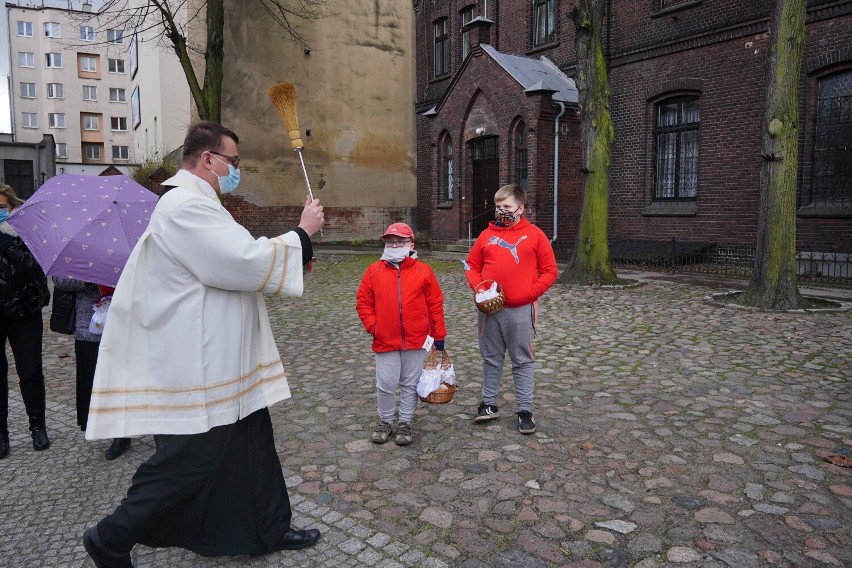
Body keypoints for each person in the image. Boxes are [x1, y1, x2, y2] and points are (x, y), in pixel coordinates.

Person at [82, 121, 325, 567]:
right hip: (199, 362)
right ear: (208, 159)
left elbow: (236, 255)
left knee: (253, 444)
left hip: (226, 355)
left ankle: (267, 527)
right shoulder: (183, 206)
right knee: (192, 459)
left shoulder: (202, 202)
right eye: (233, 161)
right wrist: (302, 234)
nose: (237, 170)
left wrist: (291, 253)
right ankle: (111, 535)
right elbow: (238, 262)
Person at [464, 183, 558, 435]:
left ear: (520, 208)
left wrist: (530, 293)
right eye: (498, 206)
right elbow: (472, 266)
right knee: (491, 358)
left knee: (522, 360)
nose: (501, 211)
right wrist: (479, 288)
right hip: (489, 310)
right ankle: (488, 404)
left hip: (519, 310)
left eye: (506, 207)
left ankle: (525, 410)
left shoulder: (535, 235)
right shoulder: (486, 235)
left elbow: (550, 271)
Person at [356, 223, 447, 446]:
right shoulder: (373, 271)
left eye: (400, 241)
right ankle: (385, 421)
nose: (394, 245)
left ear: (411, 244)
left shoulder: (424, 272)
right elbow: (363, 301)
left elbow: (435, 305)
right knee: (386, 383)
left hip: (416, 339)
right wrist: (374, 326)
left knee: (409, 383)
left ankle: (405, 422)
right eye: (390, 241)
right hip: (385, 338)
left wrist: (439, 335)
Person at [51, 278, 130, 459]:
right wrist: (87, 280)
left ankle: (121, 433)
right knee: (93, 379)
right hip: (89, 326)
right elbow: (59, 280)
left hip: (122, 320)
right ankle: (99, 423)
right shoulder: (76, 251)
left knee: (119, 380)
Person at [0, 184, 51, 459]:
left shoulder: (27, 231)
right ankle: (1, 435)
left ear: (12, 207)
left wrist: (7, 245)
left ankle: (38, 427)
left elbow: (36, 268)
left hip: (24, 310)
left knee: (30, 371)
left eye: (1, 208)